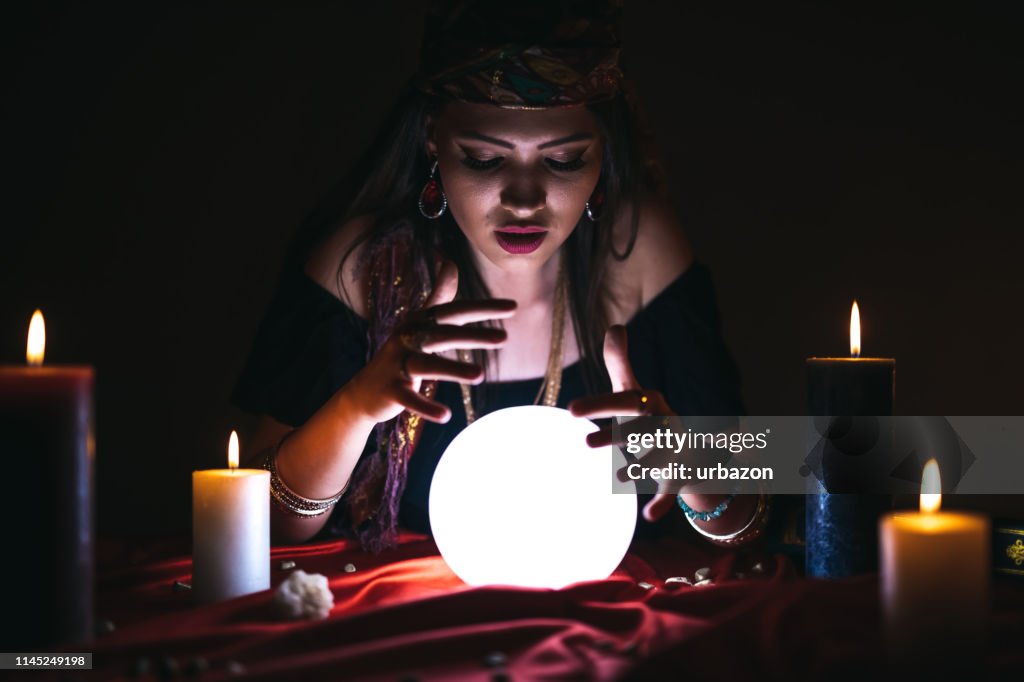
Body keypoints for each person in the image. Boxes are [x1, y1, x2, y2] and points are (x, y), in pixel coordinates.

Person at [232, 1, 769, 553]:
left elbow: (756, 516)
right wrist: (353, 410)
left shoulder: (638, 250)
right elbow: (253, 528)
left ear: (603, 156)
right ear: (432, 142)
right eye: (485, 160)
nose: (524, 200)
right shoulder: (363, 266)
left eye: (563, 162)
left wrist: (693, 466)